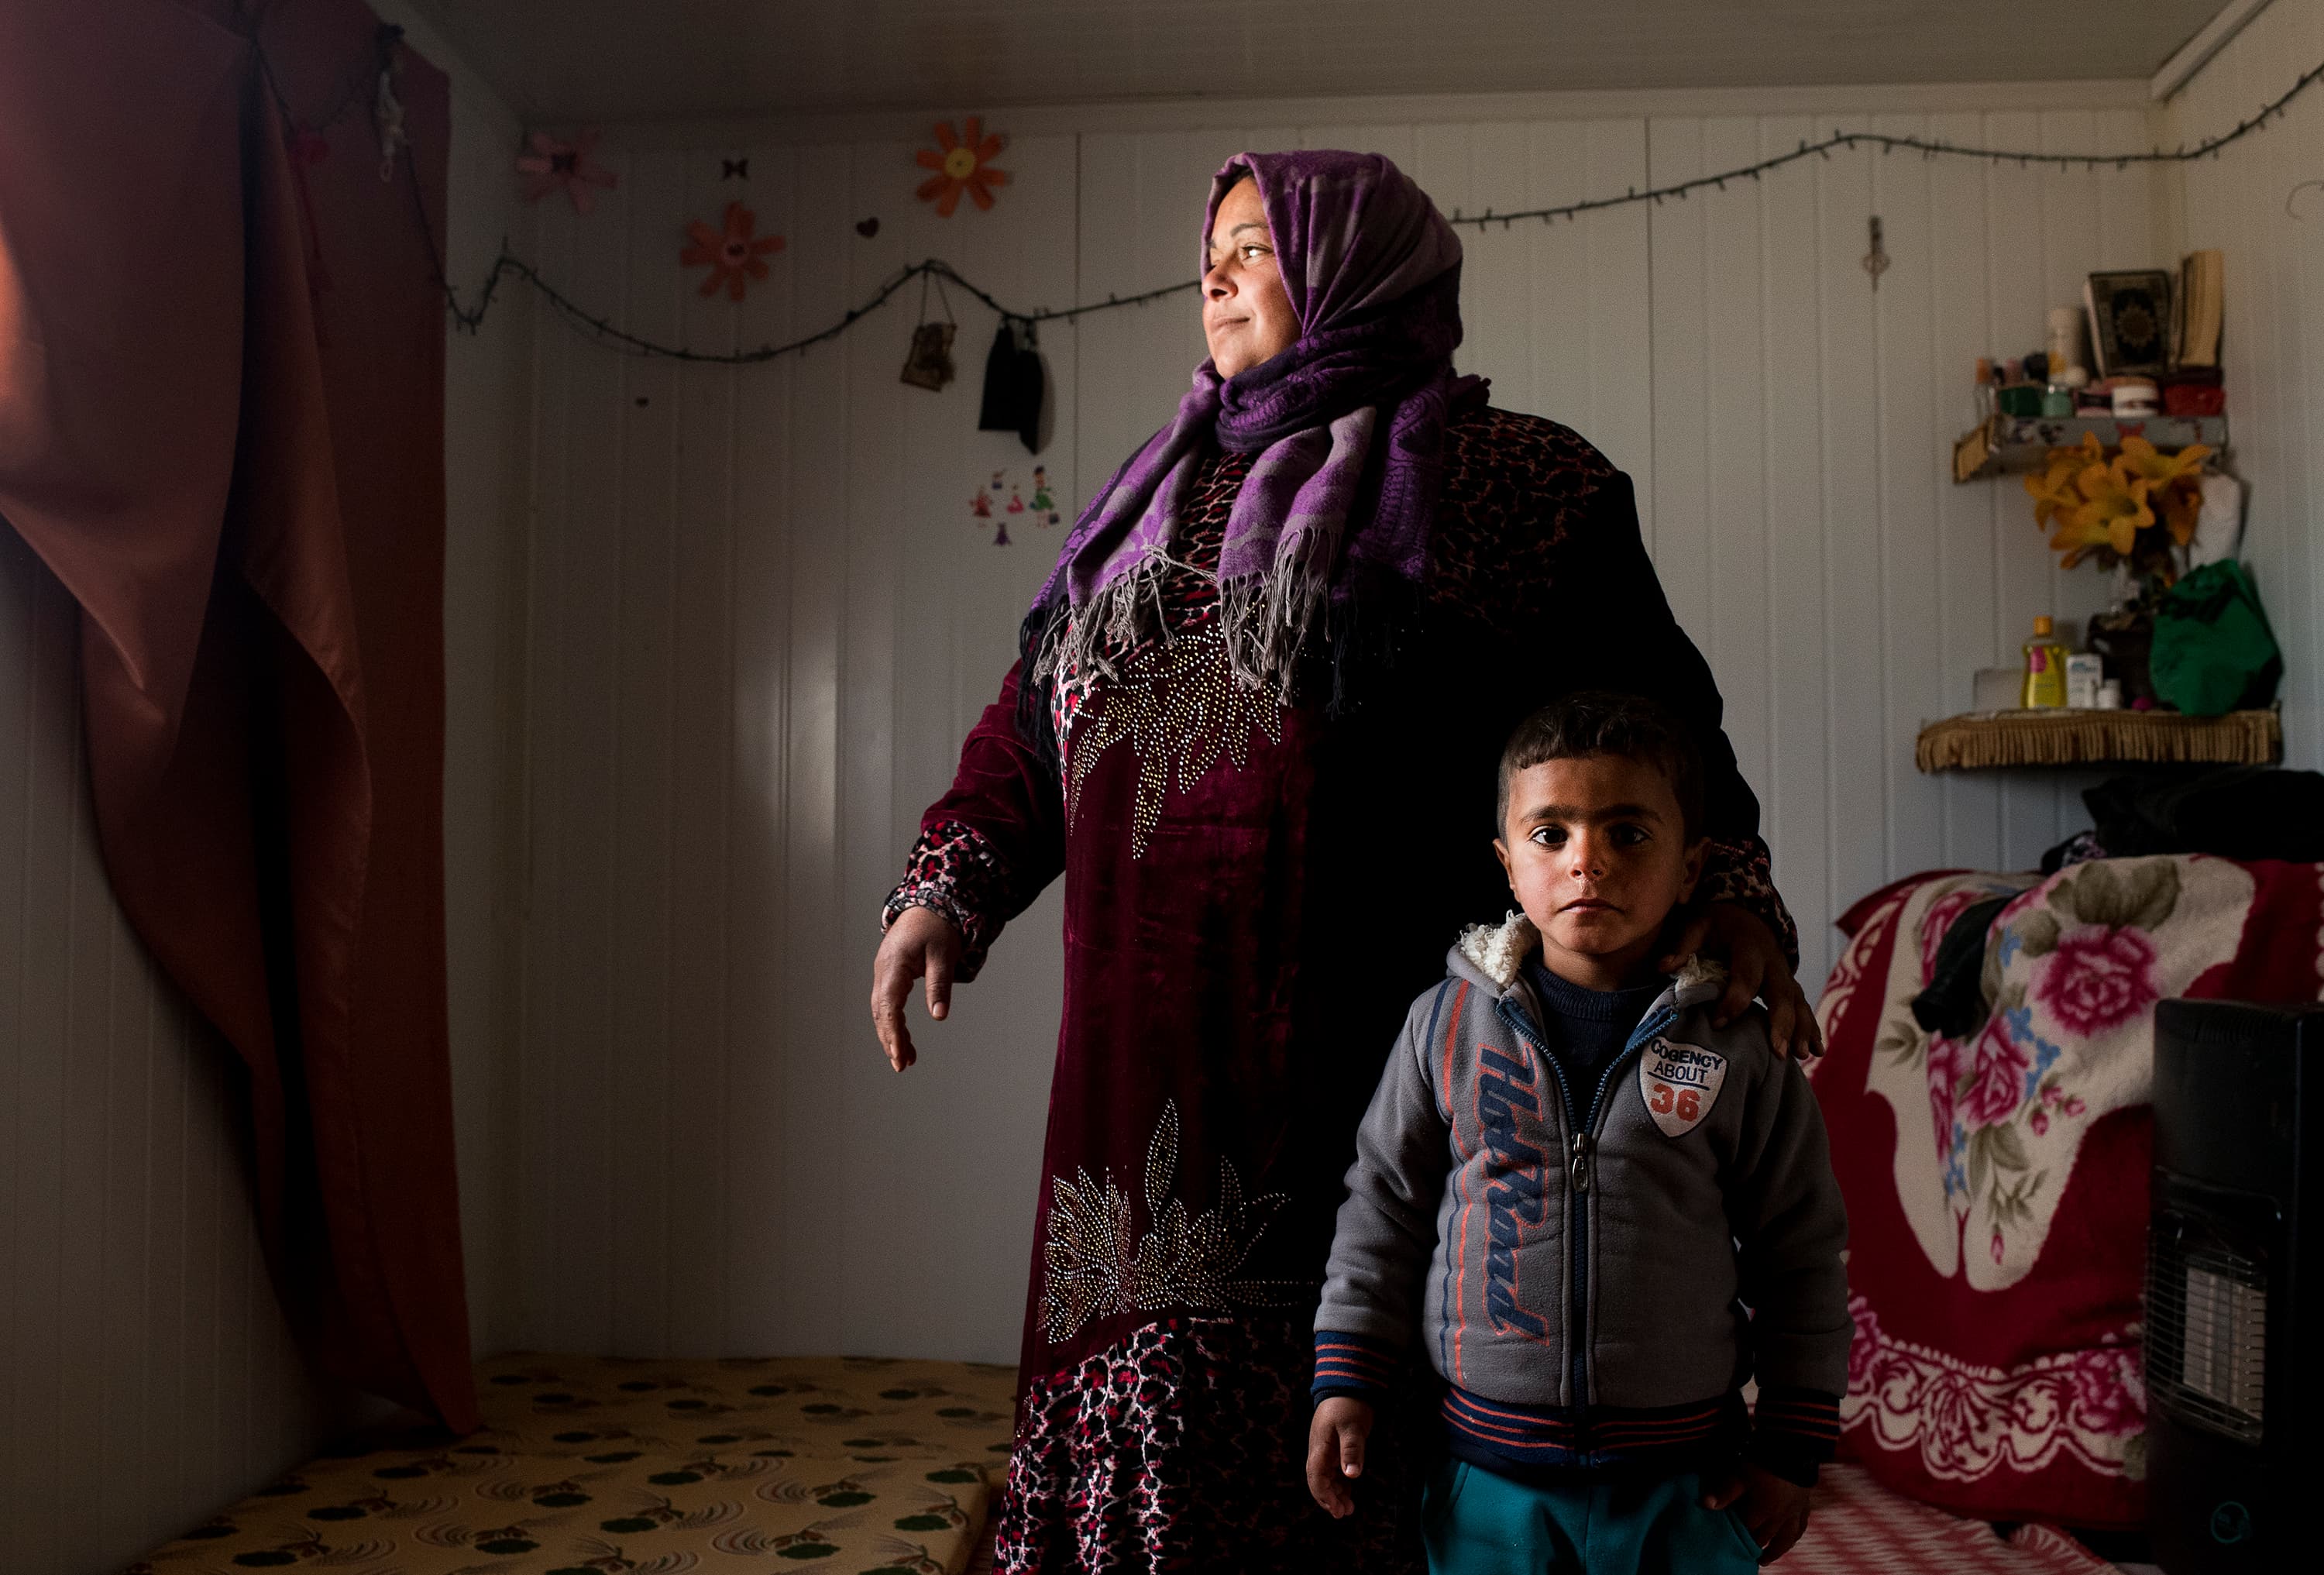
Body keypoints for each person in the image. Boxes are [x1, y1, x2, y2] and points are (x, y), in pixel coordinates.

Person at [869, 150, 1819, 1573]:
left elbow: (1657, 729)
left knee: (1370, 1403)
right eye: (1212, 249)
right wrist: (948, 888)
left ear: (1358, 269)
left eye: (1257, 246)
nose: (1215, 273)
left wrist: (1730, 895)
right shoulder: (1144, 501)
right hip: (1135, 1086)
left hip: (1377, 1049)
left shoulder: (1520, 485)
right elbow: (1030, 732)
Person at [1305, 692, 1851, 1572]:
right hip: (1489, 1478)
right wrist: (1349, 1377)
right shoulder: (1443, 1026)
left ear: (1691, 866)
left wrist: (1791, 1444)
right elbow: (1383, 1211)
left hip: (1689, 1479)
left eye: (1627, 833)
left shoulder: (1741, 1044)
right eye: (1550, 834)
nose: (1586, 860)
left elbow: (1801, 1250)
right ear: (1507, 863)